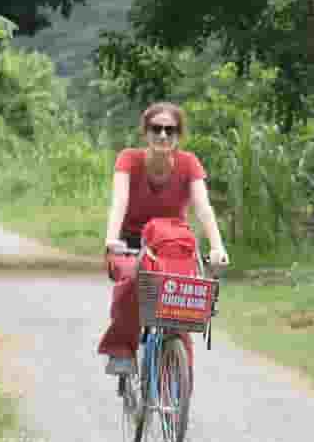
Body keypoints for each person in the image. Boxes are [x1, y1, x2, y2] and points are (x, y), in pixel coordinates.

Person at [98, 100, 230, 373]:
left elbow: (203, 209)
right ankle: (122, 349)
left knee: (180, 303)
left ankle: (176, 381)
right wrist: (111, 240)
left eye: (170, 131)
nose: (162, 136)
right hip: (132, 241)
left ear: (178, 136)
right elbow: (119, 202)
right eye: (156, 129)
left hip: (172, 243)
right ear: (145, 133)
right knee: (132, 285)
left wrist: (218, 247)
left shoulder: (188, 163)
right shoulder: (129, 159)